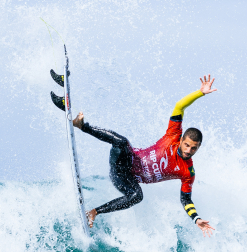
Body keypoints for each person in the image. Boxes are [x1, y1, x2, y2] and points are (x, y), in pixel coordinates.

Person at [67, 76, 217, 237]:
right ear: (181, 140)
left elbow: (186, 200)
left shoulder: (188, 172)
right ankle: (82, 125)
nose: (188, 150)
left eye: (193, 148)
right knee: (123, 142)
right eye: (186, 145)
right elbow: (179, 106)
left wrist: (196, 219)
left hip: (124, 179)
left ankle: (94, 212)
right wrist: (200, 93)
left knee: (137, 196)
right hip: (123, 159)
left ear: (198, 148)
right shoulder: (173, 135)